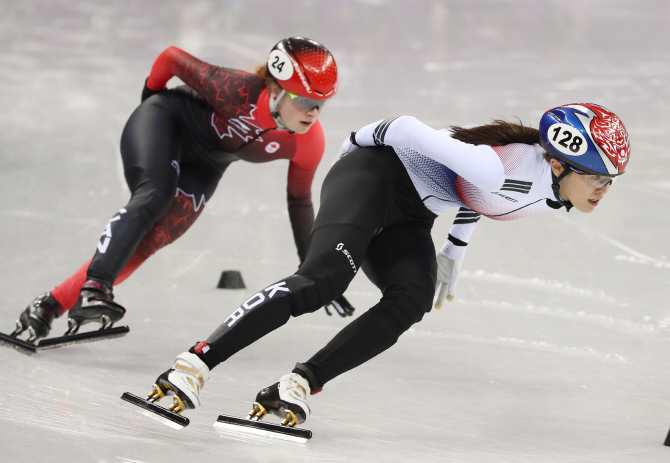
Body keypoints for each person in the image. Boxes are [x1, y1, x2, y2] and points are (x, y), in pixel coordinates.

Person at [136, 103, 630, 428]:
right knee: (322, 282)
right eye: (599, 179)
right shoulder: (499, 166)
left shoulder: (552, 195)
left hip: (412, 214)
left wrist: (452, 254)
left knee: (411, 300)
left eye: (611, 182)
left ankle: (297, 384)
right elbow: (408, 129)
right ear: (563, 163)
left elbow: (480, 202)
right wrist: (356, 147)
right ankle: (193, 363)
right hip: (373, 176)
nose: (604, 191)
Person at [9, 36, 354, 345]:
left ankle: (50, 305)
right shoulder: (234, 88)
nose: (313, 112)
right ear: (276, 90)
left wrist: (313, 271)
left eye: (322, 103)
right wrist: (148, 102)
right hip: (166, 122)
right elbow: (171, 58)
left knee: (154, 238)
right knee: (155, 195)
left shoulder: (309, 143)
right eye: (305, 99)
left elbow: (299, 201)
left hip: (206, 164)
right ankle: (96, 286)